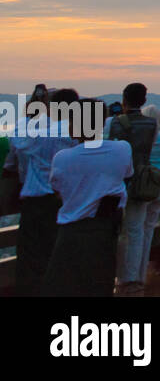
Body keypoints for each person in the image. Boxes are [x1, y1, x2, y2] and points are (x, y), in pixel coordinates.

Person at [41, 101, 134, 297]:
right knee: (100, 285)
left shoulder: (63, 158)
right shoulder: (122, 149)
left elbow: (57, 189)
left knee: (62, 287)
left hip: (71, 231)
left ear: (74, 124)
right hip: (106, 230)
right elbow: (127, 174)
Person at [9, 88, 78, 295]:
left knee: (31, 255)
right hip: (68, 201)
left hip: (38, 200)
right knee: (58, 252)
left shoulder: (39, 132)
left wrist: (33, 115)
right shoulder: (78, 133)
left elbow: (17, 140)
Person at [109, 83, 160, 295]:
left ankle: (118, 276)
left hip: (117, 180)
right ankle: (133, 277)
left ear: (124, 99)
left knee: (117, 231)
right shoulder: (152, 124)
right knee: (137, 230)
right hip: (142, 180)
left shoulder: (113, 122)